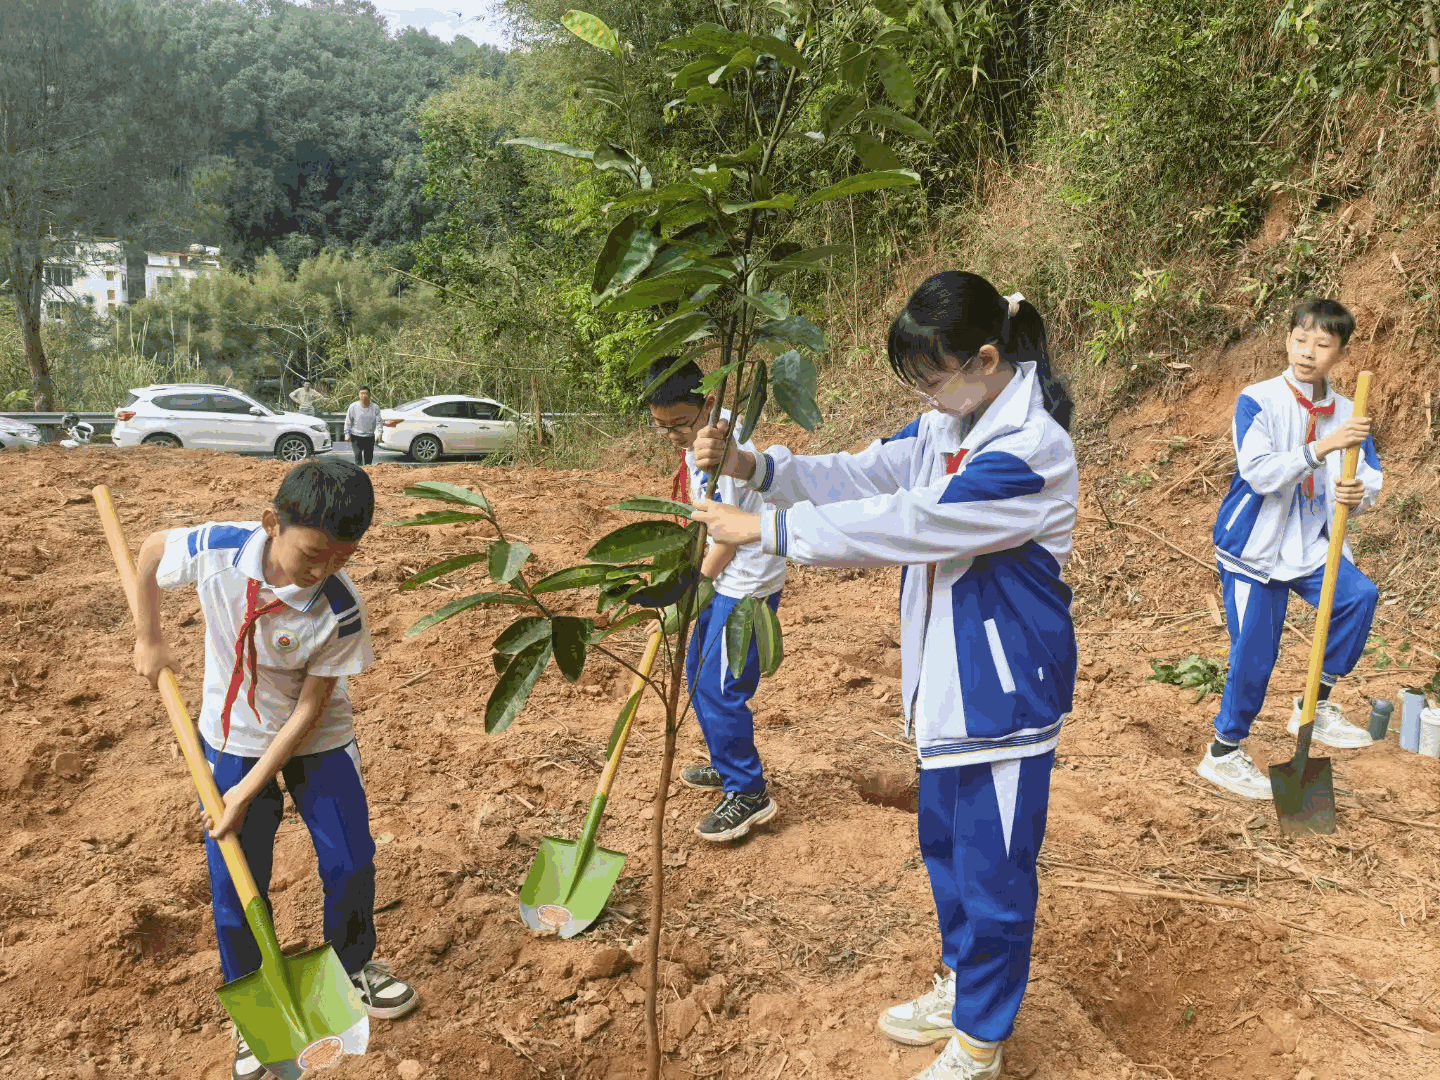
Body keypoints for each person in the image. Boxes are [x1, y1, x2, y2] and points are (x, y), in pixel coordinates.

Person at [692, 271, 1078, 1080]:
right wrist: (753, 466)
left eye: (933, 376)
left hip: (1002, 697)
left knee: (994, 873)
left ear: (984, 359)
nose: (926, 395)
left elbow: (913, 522)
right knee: (946, 848)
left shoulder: (1030, 449)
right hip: (946, 693)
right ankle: (962, 985)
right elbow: (862, 474)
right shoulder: (948, 424)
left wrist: (769, 530)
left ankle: (981, 1041)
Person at [130, 458, 417, 1080]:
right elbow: (151, 551)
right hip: (230, 736)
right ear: (271, 523)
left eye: (341, 558)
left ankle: (352, 965)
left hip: (317, 740)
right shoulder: (216, 549)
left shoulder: (340, 608)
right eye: (312, 553)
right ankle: (255, 1003)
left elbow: (310, 710)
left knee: (350, 860)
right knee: (238, 882)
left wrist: (248, 790)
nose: (322, 570)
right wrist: (148, 636)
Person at [1198, 298, 1382, 799]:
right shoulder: (1257, 400)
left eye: (1321, 344)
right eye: (1300, 340)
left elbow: (1370, 474)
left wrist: (1358, 493)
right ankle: (1223, 751)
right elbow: (1258, 473)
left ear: (1339, 353)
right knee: (1255, 653)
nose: (1307, 352)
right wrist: (1323, 447)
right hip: (1254, 548)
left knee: (1357, 597)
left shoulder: (1349, 413)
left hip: (1309, 542)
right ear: (1287, 341)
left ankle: (1314, 703)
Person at [645, 358, 788, 841]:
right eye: (661, 427)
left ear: (708, 404)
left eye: (680, 424)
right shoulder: (698, 439)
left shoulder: (729, 449)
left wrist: (688, 591)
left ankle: (748, 791)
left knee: (721, 688)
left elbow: (726, 538)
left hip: (744, 587)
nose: (673, 436)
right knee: (697, 673)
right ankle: (726, 760)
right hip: (721, 578)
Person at [345, 386, 381, 466]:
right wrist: (347, 433)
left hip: (369, 436)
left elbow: (379, 422)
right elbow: (348, 421)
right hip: (356, 436)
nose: (363, 396)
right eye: (361, 393)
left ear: (370, 395)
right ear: (358, 395)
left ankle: (368, 472)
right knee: (358, 456)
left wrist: (379, 433)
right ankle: (359, 472)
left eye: (365, 393)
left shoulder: (375, 407)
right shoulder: (353, 407)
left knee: (368, 460)